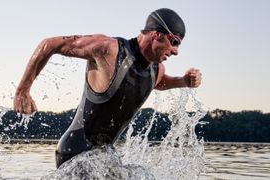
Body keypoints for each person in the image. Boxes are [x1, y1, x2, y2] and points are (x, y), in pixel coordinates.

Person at [13, 8, 202, 168]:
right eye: (174, 42)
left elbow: (158, 83)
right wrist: (23, 90)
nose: (176, 51)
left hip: (104, 156)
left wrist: (183, 81)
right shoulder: (109, 49)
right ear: (157, 35)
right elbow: (50, 44)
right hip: (75, 151)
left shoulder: (156, 70)